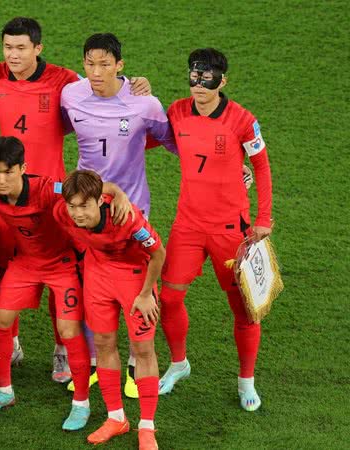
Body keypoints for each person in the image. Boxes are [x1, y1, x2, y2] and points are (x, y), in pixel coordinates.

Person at [0, 17, 153, 385]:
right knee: (4, 266)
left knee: (62, 272)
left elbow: (102, 89)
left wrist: (133, 87)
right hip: (8, 192)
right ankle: (9, 343)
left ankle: (62, 348)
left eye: (21, 47)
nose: (13, 54)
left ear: (38, 48)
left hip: (55, 198)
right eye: (8, 47)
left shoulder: (65, 82)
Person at [0, 136, 131, 431]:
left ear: (23, 168)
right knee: (0, 321)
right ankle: (4, 391)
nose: (0, 180)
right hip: (25, 263)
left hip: (61, 264)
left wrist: (116, 191)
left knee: (68, 329)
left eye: (8, 172)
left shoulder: (47, 189)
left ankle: (81, 402)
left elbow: (84, 190)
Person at [60, 32, 176, 397]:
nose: (96, 72)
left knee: (137, 285)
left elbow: (176, 142)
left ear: (120, 66)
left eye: (105, 65)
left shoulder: (145, 104)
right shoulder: (71, 95)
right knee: (93, 283)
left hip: (131, 209)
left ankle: (134, 361)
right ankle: (99, 361)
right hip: (87, 210)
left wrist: (235, 168)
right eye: (90, 64)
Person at [158, 48, 273, 412]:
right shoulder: (176, 111)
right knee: (170, 298)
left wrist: (264, 219)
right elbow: (165, 140)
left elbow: (262, 167)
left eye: (206, 78)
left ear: (222, 81)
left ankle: (246, 381)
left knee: (243, 309)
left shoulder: (242, 120)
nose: (198, 85)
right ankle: (179, 364)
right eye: (194, 76)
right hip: (188, 224)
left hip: (230, 229)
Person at [54, 169, 165, 450]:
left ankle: (147, 427)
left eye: (84, 206)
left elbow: (158, 253)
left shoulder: (125, 216)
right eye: (72, 206)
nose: (77, 213)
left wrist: (145, 294)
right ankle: (116, 418)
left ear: (100, 201)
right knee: (103, 343)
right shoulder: (62, 211)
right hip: (98, 276)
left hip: (135, 278)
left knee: (142, 349)